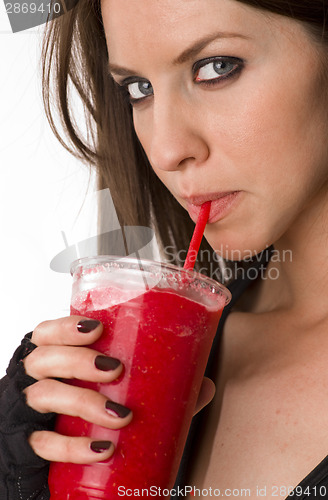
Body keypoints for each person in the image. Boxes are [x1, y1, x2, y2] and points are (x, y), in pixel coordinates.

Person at [1, 0, 328, 498]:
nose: (166, 149)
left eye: (217, 67)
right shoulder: (163, 343)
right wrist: (19, 477)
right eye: (139, 89)